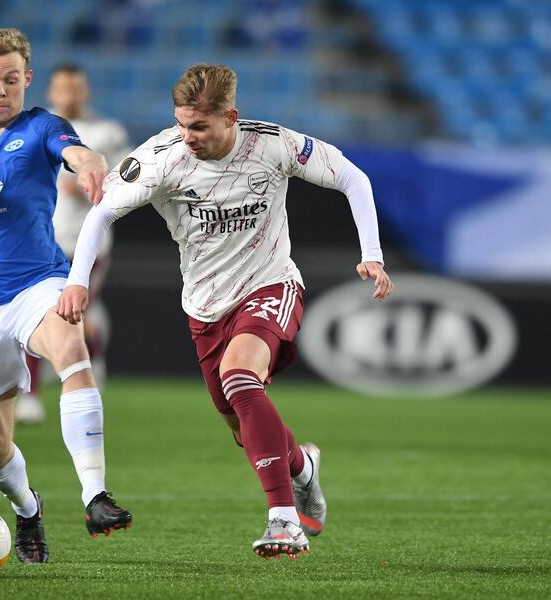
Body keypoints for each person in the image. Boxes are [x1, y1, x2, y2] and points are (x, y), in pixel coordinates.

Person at [57, 64, 394, 559]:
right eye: (181, 124)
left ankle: (283, 521)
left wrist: (372, 254)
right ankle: (302, 466)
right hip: (204, 307)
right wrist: (77, 281)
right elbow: (103, 210)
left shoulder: (272, 145)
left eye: (199, 126)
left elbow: (352, 178)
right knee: (242, 427)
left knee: (241, 376)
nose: (187, 136)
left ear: (230, 117)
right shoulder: (161, 158)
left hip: (271, 285)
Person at [0, 27, 132, 564]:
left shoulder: (42, 126)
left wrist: (90, 166)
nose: (1, 90)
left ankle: (95, 495)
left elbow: (78, 151)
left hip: (37, 281)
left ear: (26, 79)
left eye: (11, 80)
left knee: (71, 348)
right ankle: (28, 508)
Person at [15, 63, 132, 424]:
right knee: (41, 314)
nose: (69, 95)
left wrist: (95, 184)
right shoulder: (36, 127)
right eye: (62, 89)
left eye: (75, 88)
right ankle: (32, 395)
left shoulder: (107, 133)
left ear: (86, 91)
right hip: (42, 240)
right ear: (51, 92)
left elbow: (133, 178)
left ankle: (89, 357)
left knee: (72, 314)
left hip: (89, 243)